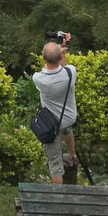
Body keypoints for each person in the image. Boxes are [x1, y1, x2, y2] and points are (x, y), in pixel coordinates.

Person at [32, 34, 77, 184]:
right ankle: (72, 155)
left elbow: (47, 68)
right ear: (59, 58)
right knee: (67, 130)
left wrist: (56, 52)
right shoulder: (71, 73)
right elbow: (63, 67)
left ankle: (58, 198)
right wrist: (61, 52)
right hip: (68, 118)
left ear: (43, 57)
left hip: (51, 123)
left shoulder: (39, 78)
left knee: (55, 165)